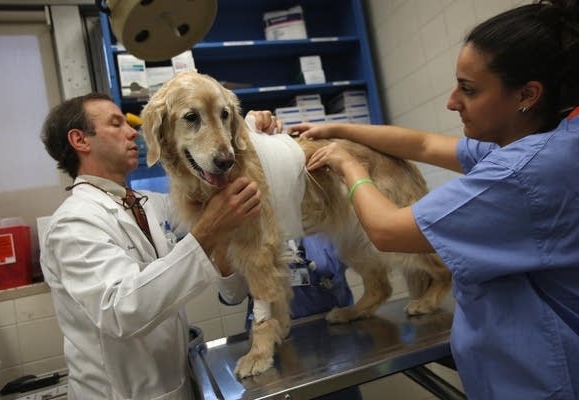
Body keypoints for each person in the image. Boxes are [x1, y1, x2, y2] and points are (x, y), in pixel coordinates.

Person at [290, 1, 579, 398]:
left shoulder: (521, 173)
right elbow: (423, 143)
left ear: (527, 94)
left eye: (469, 90)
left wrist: (348, 163)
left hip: (538, 381)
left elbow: (388, 231)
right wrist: (336, 128)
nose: (451, 101)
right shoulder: (546, 144)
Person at [39, 92, 280, 400]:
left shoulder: (155, 205)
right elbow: (120, 311)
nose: (132, 132)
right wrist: (207, 232)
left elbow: (228, 287)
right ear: (80, 140)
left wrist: (249, 136)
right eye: (117, 124)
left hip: (176, 384)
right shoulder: (72, 224)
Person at [218, 233, 363, 400]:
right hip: (271, 354)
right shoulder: (250, 221)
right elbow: (232, 296)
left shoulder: (324, 218)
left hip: (333, 343)